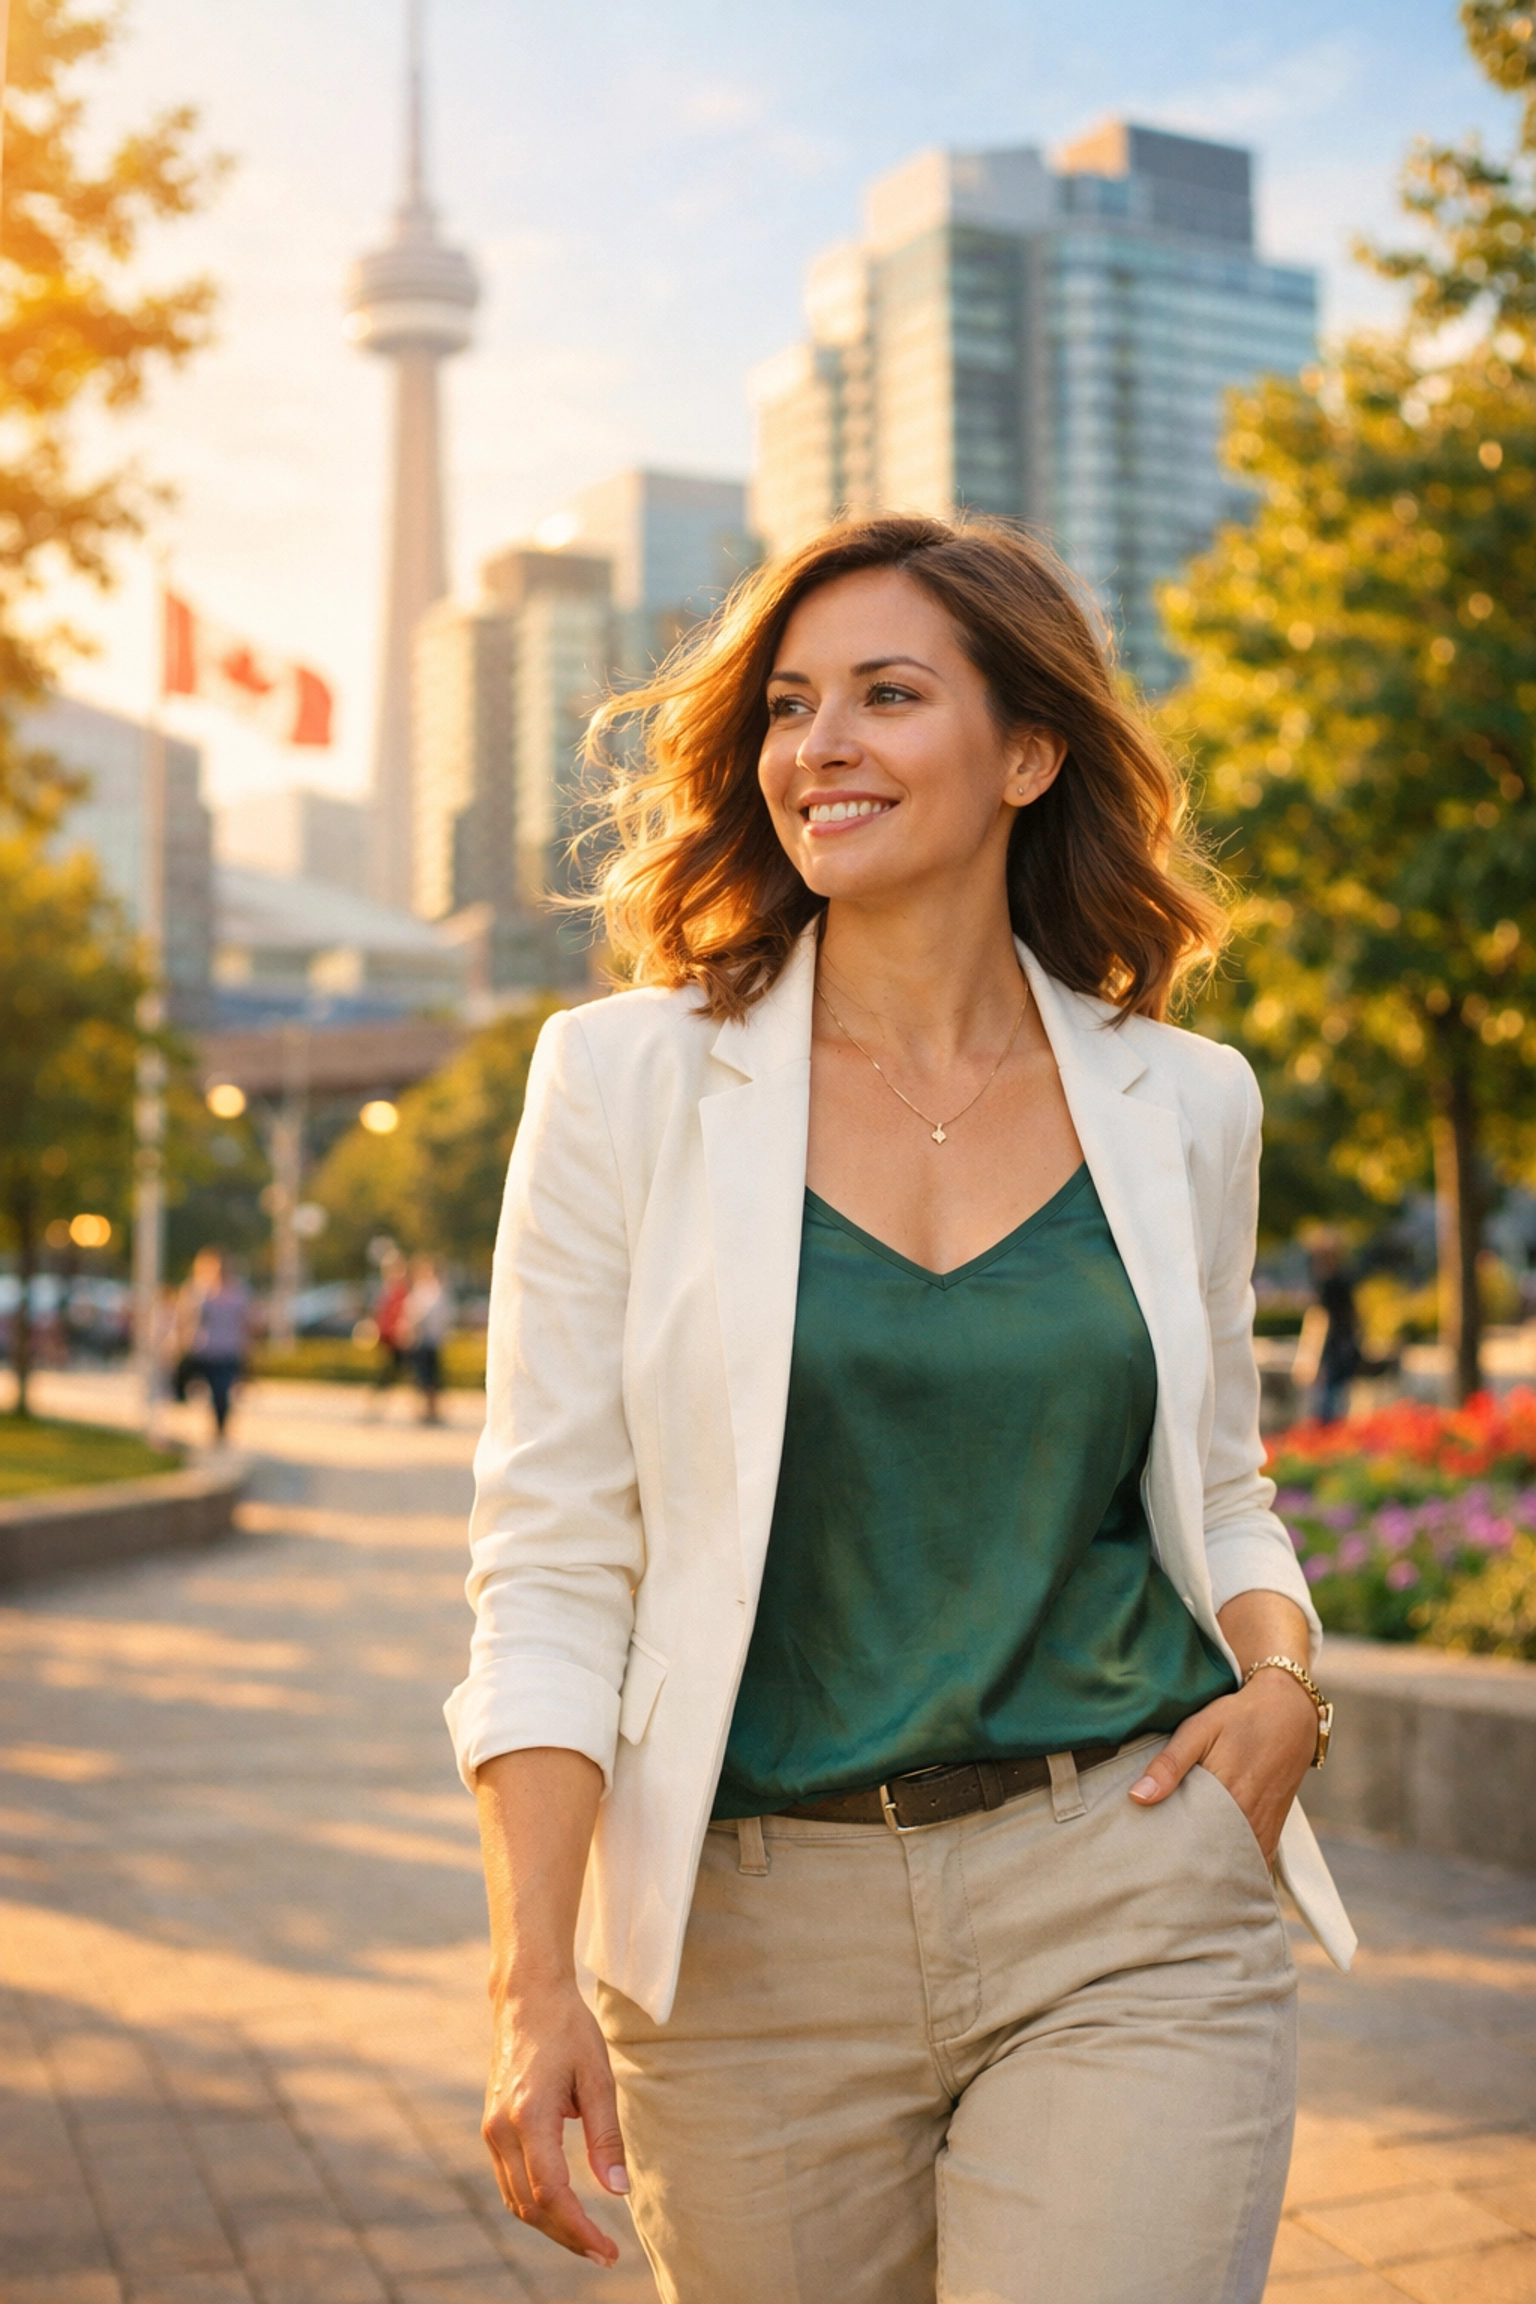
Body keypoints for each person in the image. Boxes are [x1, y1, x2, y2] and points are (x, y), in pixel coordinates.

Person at [449, 515, 1356, 2304]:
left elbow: (1220, 1482)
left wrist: (1283, 1688)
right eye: (789, 704)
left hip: (1122, 1888)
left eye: (885, 693)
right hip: (743, 1936)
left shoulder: (1187, 1099)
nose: (819, 744)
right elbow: (551, 1560)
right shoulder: (622, 1078)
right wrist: (530, 1970)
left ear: (1028, 752)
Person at [172, 1248, 250, 1441]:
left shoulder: (238, 1293)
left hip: (226, 1352)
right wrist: (178, 1344)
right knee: (179, 1386)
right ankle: (176, 1422)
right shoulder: (196, 1290)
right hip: (199, 1350)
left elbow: (246, 1323)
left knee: (221, 1394)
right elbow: (183, 1319)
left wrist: (248, 1351)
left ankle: (219, 1431)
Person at [402, 1253, 452, 1425]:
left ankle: (432, 1411)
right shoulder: (425, 1289)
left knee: (429, 1378)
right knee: (424, 1378)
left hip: (428, 1340)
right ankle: (426, 1410)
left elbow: (422, 1314)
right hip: (423, 1340)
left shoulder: (434, 1290)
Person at [365, 1247, 411, 1414]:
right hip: (388, 1337)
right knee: (389, 1372)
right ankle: (375, 1404)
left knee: (393, 1372)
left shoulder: (399, 1289)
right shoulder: (388, 1289)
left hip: (396, 1336)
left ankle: (376, 1404)